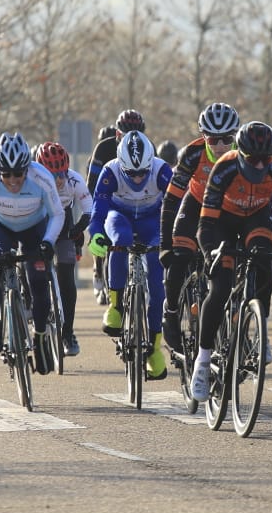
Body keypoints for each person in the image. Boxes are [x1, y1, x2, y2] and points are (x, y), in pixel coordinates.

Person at [188, 121, 272, 401]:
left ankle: (259, 324)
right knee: (220, 287)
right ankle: (202, 361)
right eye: (254, 160)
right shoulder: (224, 168)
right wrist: (210, 253)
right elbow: (204, 225)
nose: (261, 165)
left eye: (266, 159)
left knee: (265, 259)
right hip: (222, 224)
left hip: (256, 219)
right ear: (241, 154)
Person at [0, 132, 65, 366]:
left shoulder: (42, 178)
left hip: (34, 227)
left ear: (27, 169)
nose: (13, 180)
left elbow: (58, 214)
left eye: (18, 173)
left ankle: (39, 339)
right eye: (6, 174)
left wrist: (48, 241)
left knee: (38, 281)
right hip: (1, 226)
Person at [87, 129, 174, 379]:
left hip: (152, 220)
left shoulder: (161, 170)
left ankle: (155, 349)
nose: (137, 179)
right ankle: (115, 306)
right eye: (131, 173)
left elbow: (177, 208)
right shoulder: (111, 171)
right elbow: (98, 213)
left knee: (157, 286)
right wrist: (96, 236)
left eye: (141, 173)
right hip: (121, 217)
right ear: (121, 165)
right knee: (120, 240)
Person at [160, 102, 240, 352]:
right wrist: (165, 244)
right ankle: (171, 312)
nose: (219, 146)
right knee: (179, 256)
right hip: (195, 204)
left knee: (232, 264)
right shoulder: (192, 154)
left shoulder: (244, 155)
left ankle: (237, 325)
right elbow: (171, 200)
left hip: (226, 209)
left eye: (227, 138)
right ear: (203, 136)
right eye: (213, 139)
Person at [33, 142, 92, 357]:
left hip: (65, 224)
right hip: (39, 221)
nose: (59, 179)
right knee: (35, 269)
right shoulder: (33, 181)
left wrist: (78, 231)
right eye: (53, 174)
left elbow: (88, 210)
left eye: (62, 173)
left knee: (67, 275)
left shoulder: (74, 180)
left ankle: (68, 333)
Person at [87, 111, 146, 305]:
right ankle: (109, 282)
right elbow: (91, 185)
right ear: (117, 134)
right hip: (111, 201)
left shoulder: (148, 147)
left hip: (139, 203)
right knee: (113, 241)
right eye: (125, 134)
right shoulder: (104, 148)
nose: (132, 139)